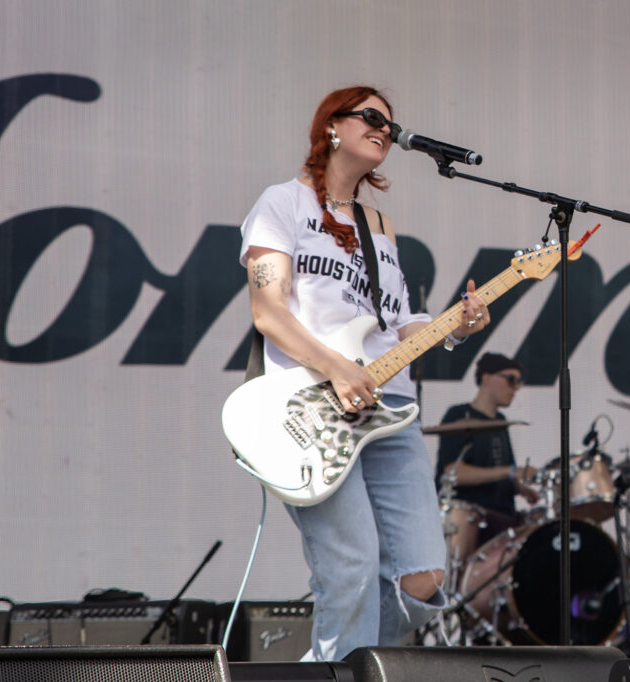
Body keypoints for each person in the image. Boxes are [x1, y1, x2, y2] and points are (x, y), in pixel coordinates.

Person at [238, 85, 490, 661]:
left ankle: (329, 668)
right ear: (332, 125)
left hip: (390, 410)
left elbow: (396, 323)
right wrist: (335, 368)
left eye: (391, 123)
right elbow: (268, 310)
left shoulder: (379, 225)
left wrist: (456, 325)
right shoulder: (281, 203)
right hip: (312, 407)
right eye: (371, 117)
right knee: (350, 568)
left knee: (422, 580)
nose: (385, 129)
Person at [434, 353, 538, 546]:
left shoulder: (501, 421)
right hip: (471, 520)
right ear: (486, 377)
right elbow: (453, 472)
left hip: (504, 519)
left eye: (518, 382)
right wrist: (511, 471)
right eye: (511, 380)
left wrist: (520, 487)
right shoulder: (458, 415)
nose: (515, 387)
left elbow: (501, 472)